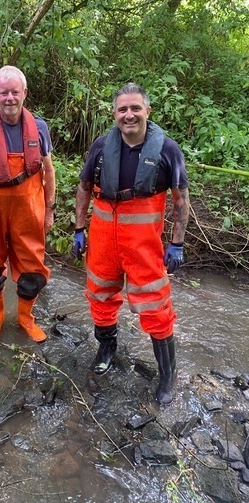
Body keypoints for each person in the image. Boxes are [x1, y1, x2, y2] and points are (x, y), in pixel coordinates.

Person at [73, 82, 190, 405]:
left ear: (147, 111)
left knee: (155, 306)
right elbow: (84, 188)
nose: (129, 115)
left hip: (143, 245)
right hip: (103, 239)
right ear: (114, 113)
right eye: (123, 109)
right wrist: (78, 228)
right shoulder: (100, 147)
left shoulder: (167, 150)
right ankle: (106, 348)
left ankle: (168, 375)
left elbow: (181, 201)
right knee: (100, 294)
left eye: (135, 108)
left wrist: (176, 243)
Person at [0, 65, 56, 342]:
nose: (9, 98)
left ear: (24, 93)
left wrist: (49, 211)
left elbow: (49, 171)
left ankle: (26, 318)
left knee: (32, 270)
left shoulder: (39, 128)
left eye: (15, 92)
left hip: (29, 208)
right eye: (4, 92)